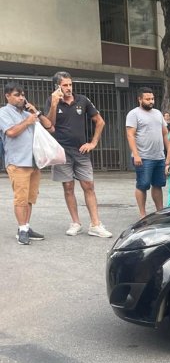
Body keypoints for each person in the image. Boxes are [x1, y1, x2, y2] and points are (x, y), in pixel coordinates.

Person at [45, 71, 112, 238]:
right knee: (68, 187)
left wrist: (93, 143)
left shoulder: (82, 100)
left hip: (81, 151)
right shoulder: (51, 101)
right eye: (65, 85)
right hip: (61, 152)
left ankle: (95, 224)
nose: (68, 88)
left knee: (88, 186)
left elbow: (100, 121)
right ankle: (75, 222)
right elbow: (50, 125)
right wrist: (54, 104)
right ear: (57, 86)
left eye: (70, 84)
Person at [0, 82, 51, 245]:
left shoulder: (28, 113)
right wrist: (28, 121)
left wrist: (35, 112)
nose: (21, 97)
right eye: (17, 95)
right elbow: (12, 132)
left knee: (30, 198)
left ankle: (26, 226)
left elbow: (50, 128)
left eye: (22, 95)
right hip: (18, 162)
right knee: (20, 198)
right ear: (7, 96)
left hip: (33, 162)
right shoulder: (3, 112)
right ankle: (22, 230)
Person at [126, 87, 168, 218]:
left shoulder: (158, 113)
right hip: (143, 157)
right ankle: (142, 214)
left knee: (158, 184)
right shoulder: (134, 114)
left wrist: (169, 153)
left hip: (159, 156)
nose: (151, 101)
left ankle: (160, 212)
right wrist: (136, 155)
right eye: (147, 99)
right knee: (142, 185)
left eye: (152, 99)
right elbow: (130, 135)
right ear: (140, 99)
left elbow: (165, 133)